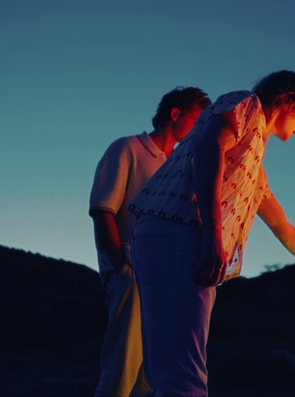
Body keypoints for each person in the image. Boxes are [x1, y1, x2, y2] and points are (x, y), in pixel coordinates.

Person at [128, 70, 295, 396]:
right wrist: (213, 234)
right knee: (183, 377)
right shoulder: (245, 104)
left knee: (167, 369)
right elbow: (210, 146)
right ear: (288, 101)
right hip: (180, 233)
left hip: (165, 235)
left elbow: (281, 227)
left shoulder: (252, 159)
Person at [89, 86, 212, 397]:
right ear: (175, 114)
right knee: (122, 367)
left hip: (163, 281)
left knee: (154, 375)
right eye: (195, 120)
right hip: (131, 273)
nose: (199, 129)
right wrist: (119, 267)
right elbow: (103, 210)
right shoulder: (127, 148)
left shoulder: (177, 166)